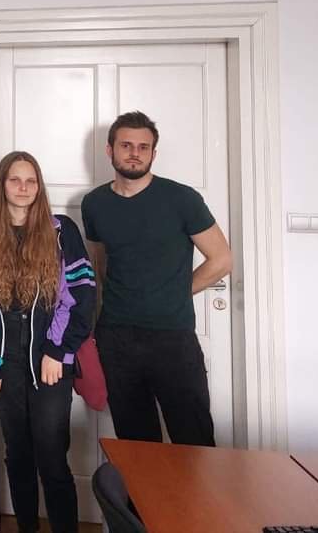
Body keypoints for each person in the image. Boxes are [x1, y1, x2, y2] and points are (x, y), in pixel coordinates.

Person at [81, 111, 232, 446]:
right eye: (126, 145)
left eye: (143, 147)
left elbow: (222, 260)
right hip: (116, 338)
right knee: (137, 445)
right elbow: (101, 263)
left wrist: (174, 293)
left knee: (194, 442)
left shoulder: (182, 199)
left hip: (172, 339)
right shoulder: (95, 203)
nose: (135, 153)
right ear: (110, 150)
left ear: (153, 153)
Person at [0, 151, 96, 533]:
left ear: (39, 187)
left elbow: (83, 294)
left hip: (50, 360)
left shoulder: (61, 231)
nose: (23, 188)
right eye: (15, 180)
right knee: (18, 455)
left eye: (31, 181)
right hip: (4, 363)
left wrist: (58, 350)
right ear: (2, 186)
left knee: (52, 457)